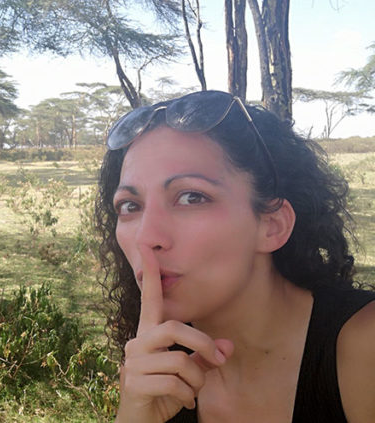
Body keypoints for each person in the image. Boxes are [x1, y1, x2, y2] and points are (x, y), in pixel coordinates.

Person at [93, 90, 375, 422]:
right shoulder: (154, 369)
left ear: (272, 226)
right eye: (130, 206)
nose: (146, 237)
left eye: (191, 197)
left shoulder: (364, 346)